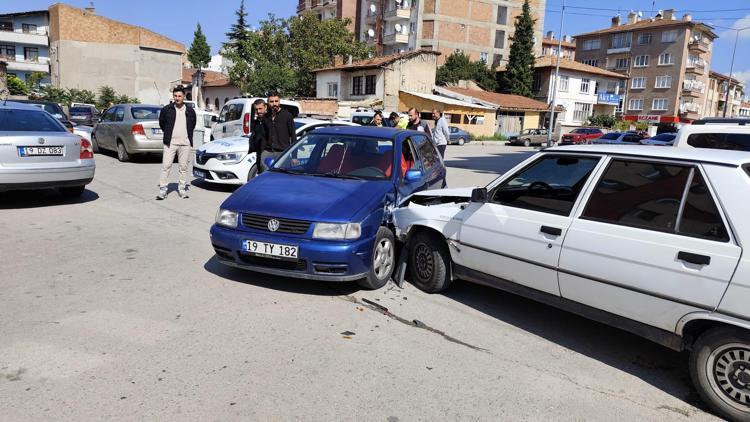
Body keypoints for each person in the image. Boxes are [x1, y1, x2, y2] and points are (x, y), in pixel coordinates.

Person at [156, 86, 196, 200]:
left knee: (183, 167)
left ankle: (182, 189)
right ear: (173, 96)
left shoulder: (190, 111)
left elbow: (192, 124)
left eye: (179, 96)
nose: (177, 98)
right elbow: (162, 123)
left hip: (185, 143)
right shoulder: (167, 109)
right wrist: (169, 134)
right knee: (166, 166)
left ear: (183, 97)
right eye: (175, 96)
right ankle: (163, 190)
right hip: (171, 143)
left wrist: (187, 138)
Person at [261, 91, 296, 171]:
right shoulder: (265, 117)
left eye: (276, 101)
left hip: (283, 153)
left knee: (282, 178)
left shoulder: (287, 116)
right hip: (267, 152)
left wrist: (294, 157)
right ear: (268, 102)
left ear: (279, 101)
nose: (274, 104)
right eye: (271, 101)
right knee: (265, 177)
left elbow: (293, 136)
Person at [250, 99, 268, 173]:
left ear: (265, 107)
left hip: (267, 154)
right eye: (256, 109)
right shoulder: (257, 121)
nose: (258, 111)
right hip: (259, 154)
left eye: (260, 109)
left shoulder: (269, 120)